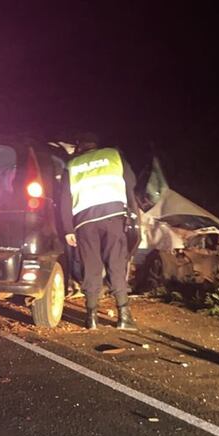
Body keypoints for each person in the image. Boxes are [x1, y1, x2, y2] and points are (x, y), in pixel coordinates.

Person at [61, 132, 138, 330]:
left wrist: (68, 229)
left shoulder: (72, 165)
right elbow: (131, 183)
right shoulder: (114, 155)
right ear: (97, 144)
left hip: (84, 222)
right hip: (113, 217)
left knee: (91, 266)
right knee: (116, 263)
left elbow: (64, 200)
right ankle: (123, 316)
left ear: (80, 146)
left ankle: (91, 317)